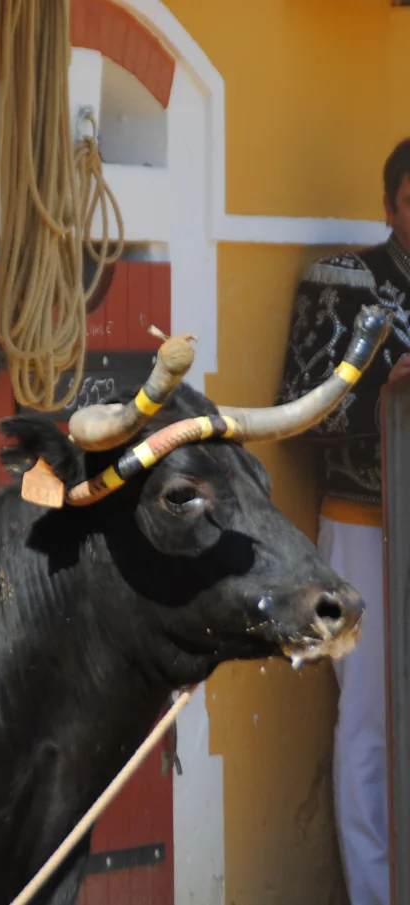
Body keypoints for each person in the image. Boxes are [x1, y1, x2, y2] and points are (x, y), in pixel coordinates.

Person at [277, 138, 410, 905]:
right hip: (364, 527)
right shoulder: (345, 279)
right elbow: (304, 405)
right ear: (389, 202)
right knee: (367, 720)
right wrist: (388, 394)